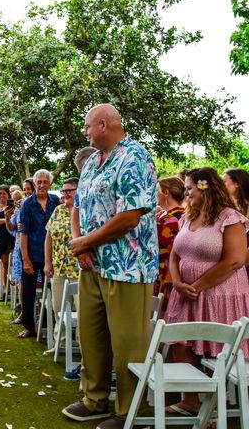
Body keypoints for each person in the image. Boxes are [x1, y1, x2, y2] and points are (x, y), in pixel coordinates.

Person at [63, 104, 158, 429]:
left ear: (104, 124)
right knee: (91, 335)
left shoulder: (135, 157)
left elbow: (130, 217)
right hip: (92, 266)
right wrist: (80, 246)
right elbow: (78, 208)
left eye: (88, 126)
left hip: (128, 267)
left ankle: (129, 412)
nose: (85, 132)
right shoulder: (91, 163)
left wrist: (87, 243)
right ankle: (94, 399)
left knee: (128, 342)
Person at [163, 167, 249, 416]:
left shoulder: (230, 217)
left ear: (205, 187)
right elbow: (175, 255)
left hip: (219, 293)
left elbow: (234, 260)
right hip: (186, 293)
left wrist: (198, 286)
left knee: (215, 346)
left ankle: (212, 406)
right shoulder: (188, 217)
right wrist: (178, 282)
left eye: (189, 188)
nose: (186, 193)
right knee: (182, 342)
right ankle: (190, 400)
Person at [18, 169, 59, 338]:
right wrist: (26, 259)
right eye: (39, 182)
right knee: (29, 292)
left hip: (52, 256)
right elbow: (24, 233)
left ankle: (50, 326)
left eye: (45, 182)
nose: (41, 185)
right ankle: (29, 327)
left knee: (52, 292)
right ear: (34, 184)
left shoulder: (55, 201)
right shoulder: (28, 204)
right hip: (32, 254)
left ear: (50, 184)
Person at [44, 177, 80, 365]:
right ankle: (61, 343)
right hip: (59, 269)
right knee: (58, 308)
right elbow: (48, 237)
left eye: (69, 191)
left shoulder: (84, 210)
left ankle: (83, 348)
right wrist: (47, 263)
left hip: (80, 271)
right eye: (63, 191)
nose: (65, 194)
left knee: (82, 313)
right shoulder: (57, 211)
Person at [155, 176, 185, 310]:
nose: (155, 195)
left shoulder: (175, 218)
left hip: (166, 272)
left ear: (166, 193)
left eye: (157, 191)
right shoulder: (164, 215)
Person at [6, 190, 24, 324]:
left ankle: (43, 316)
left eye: (30, 189)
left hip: (36, 248)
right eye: (26, 189)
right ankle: (23, 312)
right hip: (20, 247)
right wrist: (7, 219)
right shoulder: (18, 211)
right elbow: (12, 228)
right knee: (22, 282)